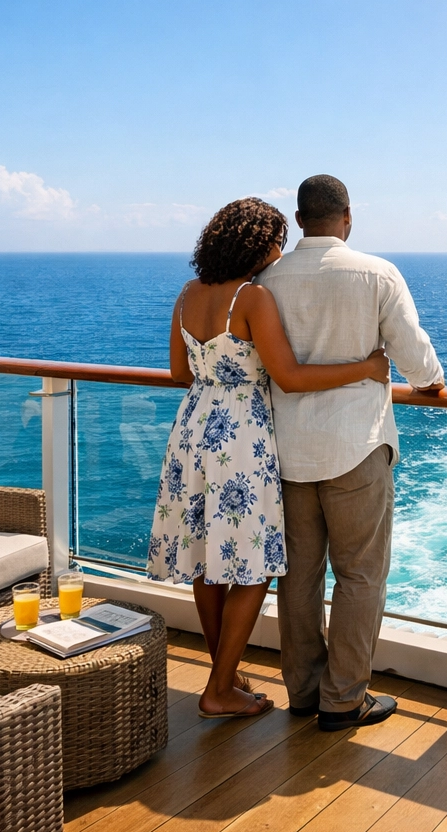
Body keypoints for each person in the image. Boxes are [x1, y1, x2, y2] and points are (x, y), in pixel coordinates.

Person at [148, 197, 390, 719]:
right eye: (276, 239)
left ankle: (226, 676)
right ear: (259, 243)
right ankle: (217, 690)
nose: (280, 250)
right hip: (240, 439)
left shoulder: (188, 294)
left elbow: (178, 373)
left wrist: (217, 383)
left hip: (192, 430)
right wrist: (366, 367)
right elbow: (291, 377)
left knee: (206, 560)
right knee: (254, 566)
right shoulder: (252, 298)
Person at [260, 174, 445, 731]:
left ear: (298, 220)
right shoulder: (376, 273)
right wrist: (432, 381)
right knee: (361, 575)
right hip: (355, 447)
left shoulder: (265, 280)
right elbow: (414, 356)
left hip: (286, 451)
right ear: (347, 218)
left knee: (297, 576)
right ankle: (343, 700)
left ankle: (304, 692)